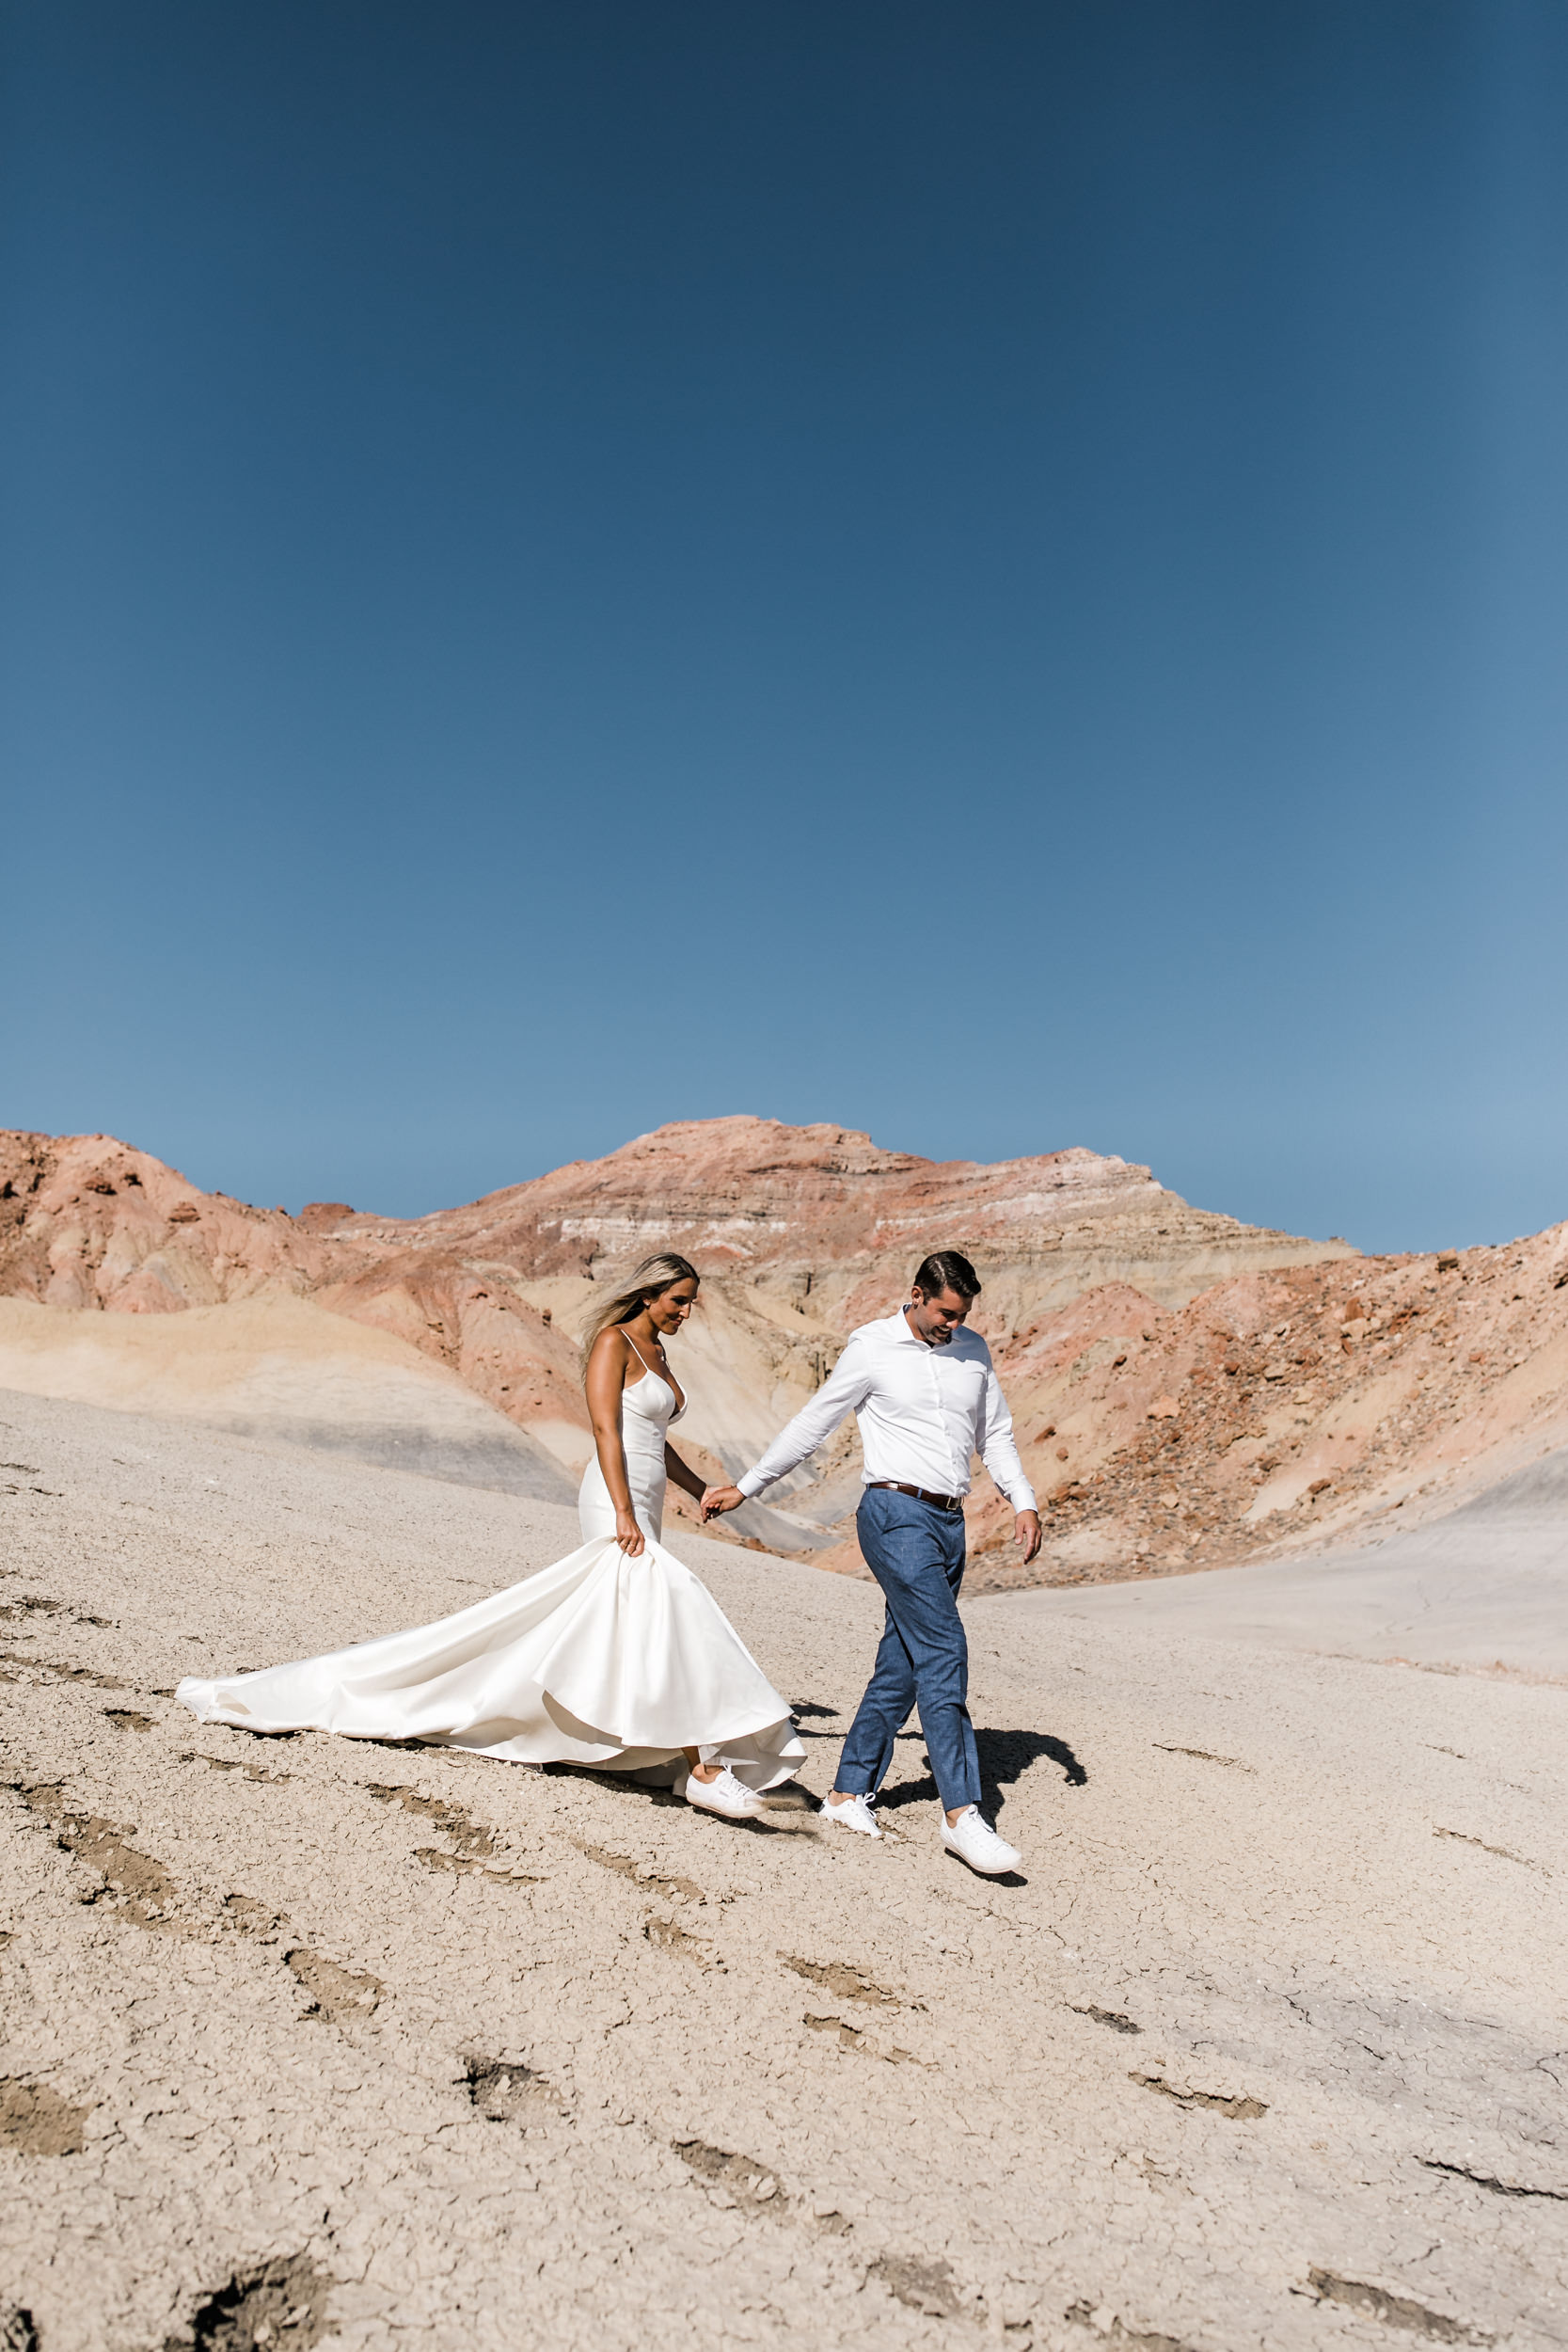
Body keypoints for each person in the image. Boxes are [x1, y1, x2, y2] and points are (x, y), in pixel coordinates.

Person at [178, 1253, 802, 1822]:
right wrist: (621, 1511)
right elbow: (608, 1435)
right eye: (678, 1301)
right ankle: (700, 1768)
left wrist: (697, 1491)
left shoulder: (659, 1354)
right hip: (613, 1497)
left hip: (645, 1497)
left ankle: (658, 1751)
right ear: (647, 1295)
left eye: (691, 1302)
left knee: (624, 1622)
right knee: (668, 1603)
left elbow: (654, 1441)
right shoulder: (613, 1343)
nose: (686, 1313)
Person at [703, 1249, 1040, 1876]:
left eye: (961, 1315)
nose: (952, 1325)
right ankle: (963, 1815)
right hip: (893, 1514)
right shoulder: (871, 1348)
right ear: (915, 1293)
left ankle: (846, 1794)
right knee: (943, 1651)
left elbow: (994, 1433)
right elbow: (814, 1422)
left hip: (947, 1522)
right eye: (944, 1313)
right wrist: (746, 1488)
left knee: (905, 1662)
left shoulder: (973, 1351)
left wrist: (1023, 1501)